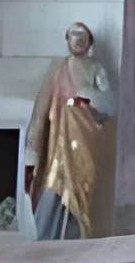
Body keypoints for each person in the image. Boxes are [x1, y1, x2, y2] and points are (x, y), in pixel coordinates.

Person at [24, 21, 114, 238]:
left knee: (85, 186)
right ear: (67, 39)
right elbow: (40, 114)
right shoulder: (57, 69)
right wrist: (32, 153)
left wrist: (87, 102)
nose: (79, 39)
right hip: (58, 142)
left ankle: (83, 234)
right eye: (74, 34)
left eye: (83, 35)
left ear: (90, 42)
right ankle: (51, 236)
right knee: (55, 184)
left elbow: (110, 102)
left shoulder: (96, 67)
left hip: (85, 135)